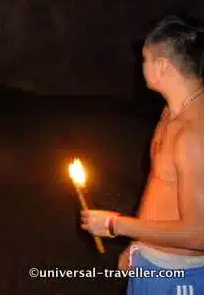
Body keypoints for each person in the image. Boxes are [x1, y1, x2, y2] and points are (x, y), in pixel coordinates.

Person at [81, 15, 204, 293]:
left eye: (145, 59)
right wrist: (139, 245)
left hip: (178, 276)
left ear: (161, 66)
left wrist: (117, 225)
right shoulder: (170, 112)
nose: (141, 67)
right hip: (151, 263)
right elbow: (161, 185)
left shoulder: (195, 134)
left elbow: (199, 234)